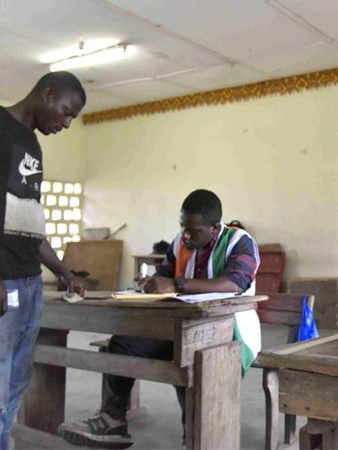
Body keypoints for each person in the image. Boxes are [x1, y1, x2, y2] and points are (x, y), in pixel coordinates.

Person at [0, 71, 87, 449]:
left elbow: (28, 224)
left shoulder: (33, 147)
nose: (67, 123)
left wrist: (61, 270)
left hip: (28, 286)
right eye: (66, 112)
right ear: (47, 92)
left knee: (10, 394)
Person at [59, 189, 261, 450]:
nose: (186, 235)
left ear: (214, 228)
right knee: (122, 344)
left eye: (194, 231)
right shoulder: (180, 243)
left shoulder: (240, 242)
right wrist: (152, 283)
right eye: (182, 227)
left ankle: (197, 435)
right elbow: (164, 275)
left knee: (192, 361)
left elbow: (236, 282)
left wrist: (177, 284)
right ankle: (113, 421)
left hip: (227, 332)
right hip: (179, 327)